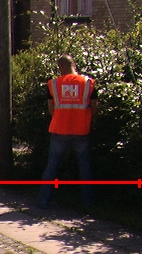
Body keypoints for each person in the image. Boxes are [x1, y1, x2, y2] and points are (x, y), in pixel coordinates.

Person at [37, 54, 98, 209]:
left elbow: (51, 108)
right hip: (81, 129)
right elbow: (94, 107)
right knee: (85, 167)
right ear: (74, 65)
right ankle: (89, 202)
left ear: (60, 67)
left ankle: (43, 201)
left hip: (59, 129)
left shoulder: (54, 84)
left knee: (52, 167)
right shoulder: (88, 83)